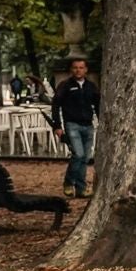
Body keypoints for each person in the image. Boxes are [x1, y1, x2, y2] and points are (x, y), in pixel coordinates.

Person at [49, 56, 100, 198]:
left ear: (86, 70)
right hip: (72, 125)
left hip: (88, 125)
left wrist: (101, 122)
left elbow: (97, 105)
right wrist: (57, 126)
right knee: (78, 154)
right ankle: (68, 182)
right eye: (75, 68)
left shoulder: (91, 86)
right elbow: (55, 105)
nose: (78, 70)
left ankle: (81, 188)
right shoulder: (65, 86)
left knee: (85, 158)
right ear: (71, 70)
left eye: (81, 67)